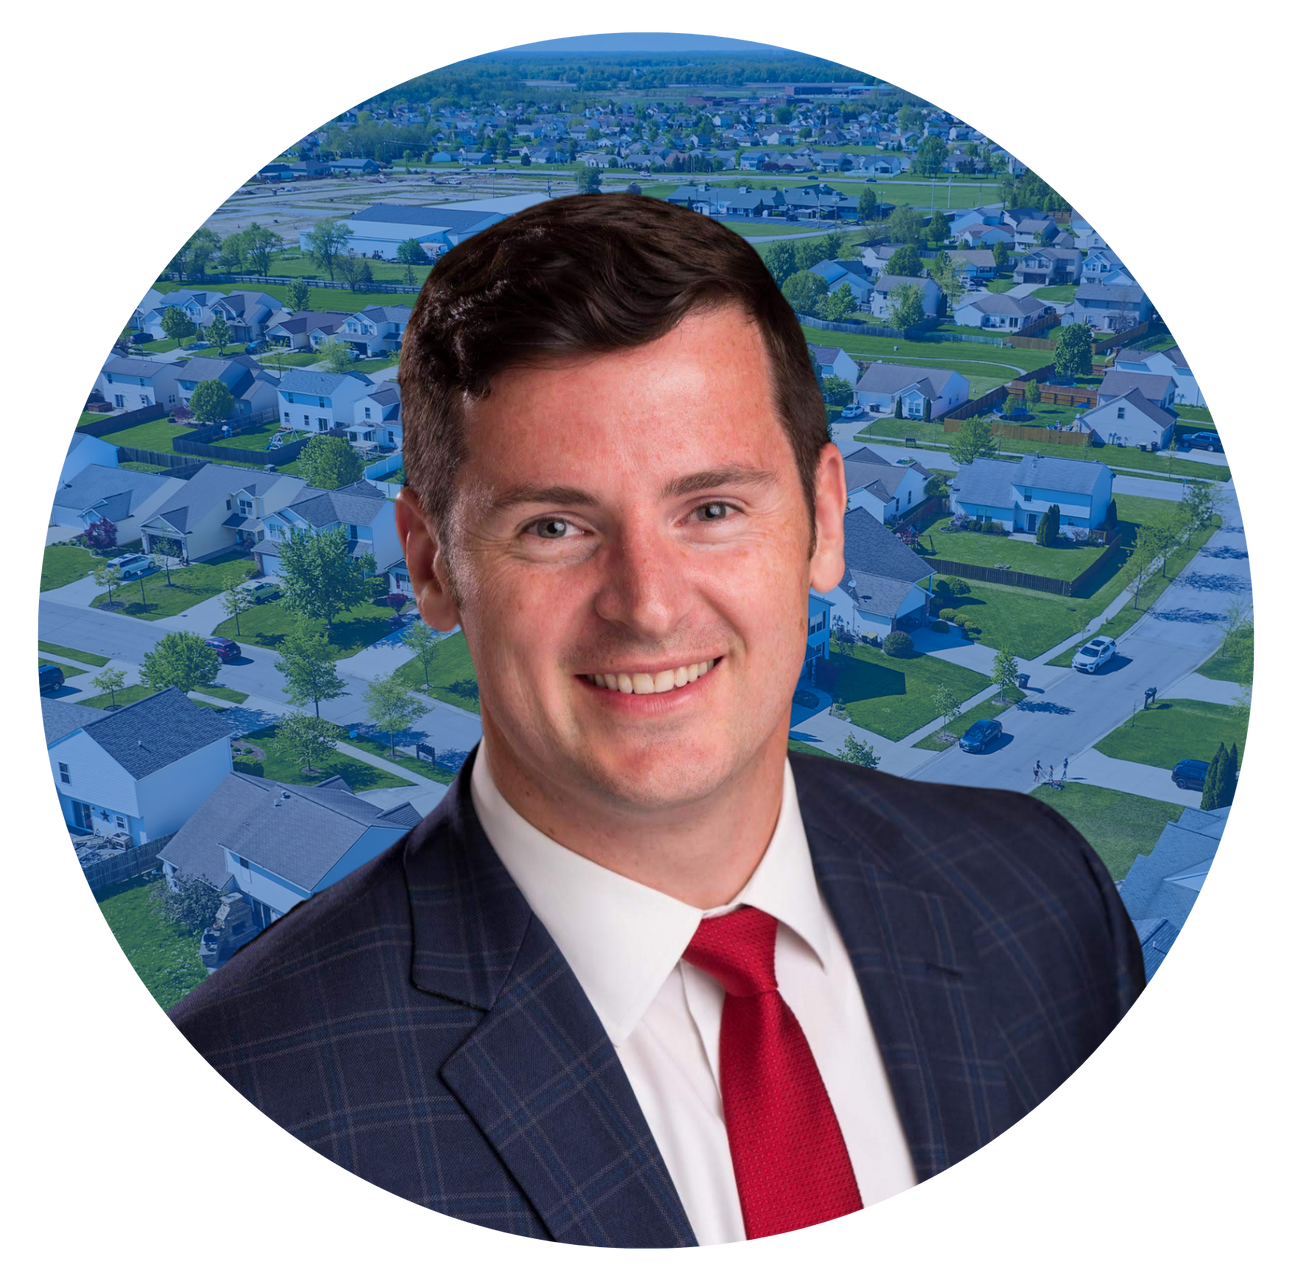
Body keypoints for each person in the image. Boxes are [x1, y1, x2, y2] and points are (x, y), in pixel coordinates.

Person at [167, 194, 1145, 1247]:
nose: (648, 604)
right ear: (429, 567)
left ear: (822, 524)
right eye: (553, 525)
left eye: (711, 510)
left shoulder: (1040, 898)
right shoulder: (266, 1082)